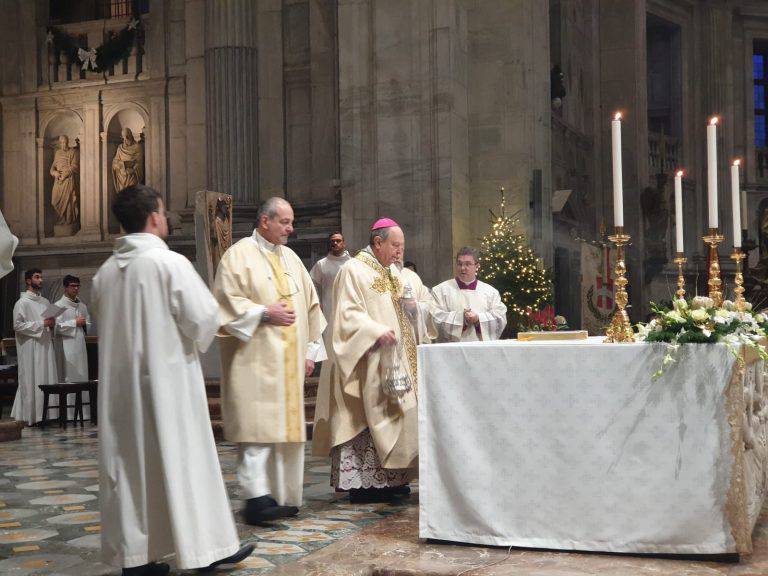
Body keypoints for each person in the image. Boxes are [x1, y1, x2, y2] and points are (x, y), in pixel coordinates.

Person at [92, 185, 253, 576]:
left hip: (120, 392)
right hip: (170, 386)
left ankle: (137, 559)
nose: (166, 219)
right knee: (185, 463)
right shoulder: (171, 264)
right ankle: (205, 550)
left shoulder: (104, 274)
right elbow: (203, 319)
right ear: (153, 218)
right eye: (163, 213)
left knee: (130, 472)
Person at [214, 197, 326, 525]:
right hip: (254, 365)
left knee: (285, 435)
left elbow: (311, 307)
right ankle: (255, 499)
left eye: (291, 222)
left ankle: (285, 497)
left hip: (288, 364)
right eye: (285, 222)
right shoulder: (238, 255)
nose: (291, 229)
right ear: (265, 220)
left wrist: (309, 351)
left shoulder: (291, 258)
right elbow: (223, 304)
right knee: (256, 433)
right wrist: (264, 313)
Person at [316, 218, 420, 503]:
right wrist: (374, 332)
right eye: (395, 245)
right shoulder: (353, 270)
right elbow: (346, 316)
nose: (400, 252)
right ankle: (364, 484)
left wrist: (413, 311)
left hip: (395, 362)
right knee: (363, 417)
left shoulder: (395, 273)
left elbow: (405, 311)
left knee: (394, 416)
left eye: (402, 246)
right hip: (366, 359)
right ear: (378, 242)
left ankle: (391, 479)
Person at [10, 269, 59, 425]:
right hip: (30, 348)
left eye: (41, 277)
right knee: (32, 378)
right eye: (37, 277)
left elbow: (49, 323)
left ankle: (48, 414)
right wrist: (42, 323)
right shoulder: (22, 303)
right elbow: (17, 326)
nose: (40, 280)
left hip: (45, 345)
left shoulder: (45, 302)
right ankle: (32, 416)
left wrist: (52, 324)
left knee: (46, 376)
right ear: (28, 281)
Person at [431, 246, 507, 342]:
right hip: (451, 350)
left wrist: (478, 319)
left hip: (480, 349)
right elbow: (434, 319)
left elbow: (500, 318)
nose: (463, 268)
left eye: (468, 264)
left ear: (477, 266)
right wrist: (461, 319)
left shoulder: (490, 292)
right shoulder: (440, 290)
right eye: (459, 264)